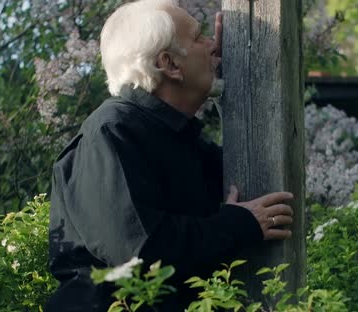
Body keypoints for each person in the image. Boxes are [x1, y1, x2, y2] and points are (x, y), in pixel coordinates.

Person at [46, 0, 294, 311]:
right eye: (199, 36)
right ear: (170, 64)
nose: (213, 46)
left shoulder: (174, 136)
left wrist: (231, 74)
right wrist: (236, 224)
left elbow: (249, 176)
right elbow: (143, 251)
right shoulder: (111, 132)